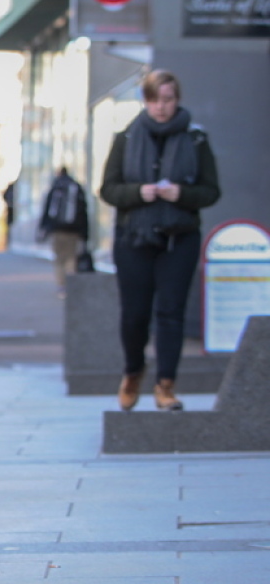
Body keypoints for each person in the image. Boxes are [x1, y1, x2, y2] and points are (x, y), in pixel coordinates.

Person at [99, 69, 220, 412]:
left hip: (178, 238)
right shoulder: (126, 137)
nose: (161, 107)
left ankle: (166, 385)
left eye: (167, 99)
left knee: (170, 312)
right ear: (145, 101)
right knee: (135, 316)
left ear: (177, 100)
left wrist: (181, 193)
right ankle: (133, 371)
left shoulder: (196, 139)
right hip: (133, 237)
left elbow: (211, 191)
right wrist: (140, 192)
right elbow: (108, 189)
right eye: (154, 100)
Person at [36, 167, 89, 297]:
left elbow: (47, 210)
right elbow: (83, 212)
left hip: (57, 230)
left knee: (59, 259)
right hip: (73, 231)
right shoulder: (76, 187)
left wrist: (43, 229)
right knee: (71, 258)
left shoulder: (56, 188)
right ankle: (70, 286)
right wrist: (85, 233)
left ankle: (61, 286)